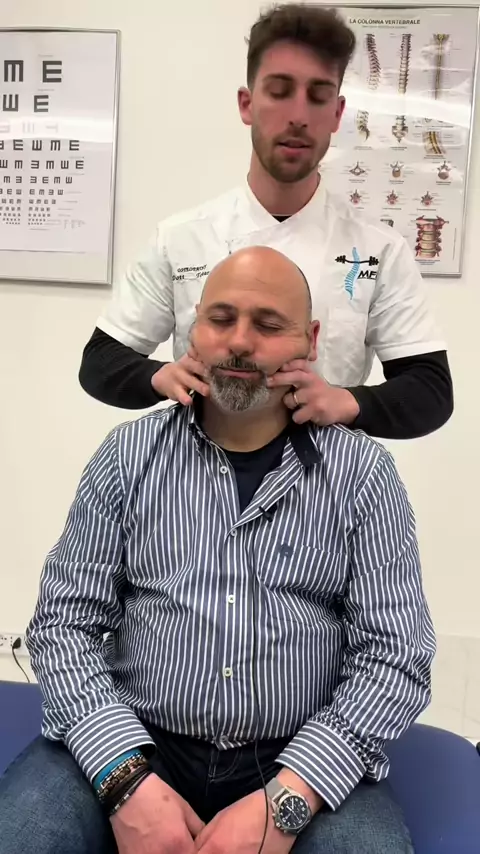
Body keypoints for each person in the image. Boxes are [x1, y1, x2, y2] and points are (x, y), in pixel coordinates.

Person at [0, 246, 434, 854]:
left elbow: (396, 656)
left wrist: (289, 798)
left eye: (269, 324)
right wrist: (124, 780)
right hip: (135, 737)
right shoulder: (128, 456)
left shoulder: (363, 474)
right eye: (221, 318)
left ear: (310, 341)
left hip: (298, 754)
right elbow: (63, 626)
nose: (239, 342)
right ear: (193, 329)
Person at [79, 3, 453, 441]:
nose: (298, 115)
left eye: (318, 96)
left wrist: (347, 402)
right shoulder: (180, 238)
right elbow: (99, 362)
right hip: (196, 472)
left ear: (337, 114)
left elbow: (431, 391)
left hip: (325, 475)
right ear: (247, 103)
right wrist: (158, 376)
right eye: (279, 91)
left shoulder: (378, 250)